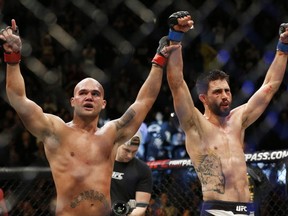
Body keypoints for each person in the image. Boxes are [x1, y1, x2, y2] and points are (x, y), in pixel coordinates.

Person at [0, 19, 180, 216]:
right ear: (72, 101)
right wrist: (12, 57)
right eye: (83, 93)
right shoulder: (55, 130)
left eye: (95, 94)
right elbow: (18, 99)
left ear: (103, 103)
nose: (89, 96)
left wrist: (159, 61)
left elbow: (144, 101)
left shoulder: (112, 133)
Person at [165, 11, 288, 215]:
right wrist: (175, 36)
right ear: (203, 98)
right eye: (218, 92)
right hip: (217, 210)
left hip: (247, 209)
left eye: (227, 91)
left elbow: (270, 86)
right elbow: (177, 83)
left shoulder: (238, 120)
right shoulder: (196, 125)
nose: (225, 96)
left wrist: (283, 48)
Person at [111, 130, 152, 216]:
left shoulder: (142, 169)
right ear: (117, 143)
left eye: (134, 152)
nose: (129, 155)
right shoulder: (102, 162)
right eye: (126, 150)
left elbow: (141, 207)